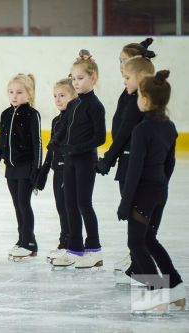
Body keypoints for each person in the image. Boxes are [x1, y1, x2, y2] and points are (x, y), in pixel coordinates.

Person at [117, 70, 185, 311]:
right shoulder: (170, 126)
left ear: (144, 99)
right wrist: (160, 185)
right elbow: (170, 163)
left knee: (136, 242)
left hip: (144, 193)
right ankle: (175, 286)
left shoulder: (141, 130)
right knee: (149, 239)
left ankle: (156, 292)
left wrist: (125, 203)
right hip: (160, 191)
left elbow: (133, 171)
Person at [95, 38, 155, 273]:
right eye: (119, 61)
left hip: (132, 163)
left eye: (124, 62)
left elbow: (124, 132)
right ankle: (138, 261)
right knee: (136, 222)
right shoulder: (130, 92)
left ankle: (144, 269)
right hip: (128, 160)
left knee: (137, 221)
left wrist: (107, 160)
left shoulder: (137, 98)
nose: (121, 66)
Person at [48, 50, 106, 270]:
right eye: (73, 79)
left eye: (80, 78)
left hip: (85, 160)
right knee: (70, 204)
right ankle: (74, 249)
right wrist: (56, 141)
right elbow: (63, 128)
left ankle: (94, 249)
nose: (76, 83)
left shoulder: (95, 105)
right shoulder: (73, 104)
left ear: (93, 79)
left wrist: (76, 148)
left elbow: (100, 137)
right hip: (69, 160)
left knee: (84, 204)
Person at [0, 73, 42, 260]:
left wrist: (37, 169)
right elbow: (0, 142)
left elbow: (37, 143)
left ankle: (28, 243)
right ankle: (24, 240)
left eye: (19, 92)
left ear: (29, 94)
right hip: (10, 168)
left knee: (23, 203)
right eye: (11, 92)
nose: (14, 96)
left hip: (26, 166)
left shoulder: (32, 115)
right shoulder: (6, 114)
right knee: (17, 205)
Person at [36, 78, 77, 261]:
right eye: (55, 96)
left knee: (70, 208)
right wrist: (43, 172)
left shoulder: (76, 119)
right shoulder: (55, 121)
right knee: (61, 207)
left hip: (71, 170)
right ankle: (64, 243)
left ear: (74, 96)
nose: (58, 100)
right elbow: (51, 149)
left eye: (62, 96)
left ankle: (73, 244)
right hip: (57, 171)